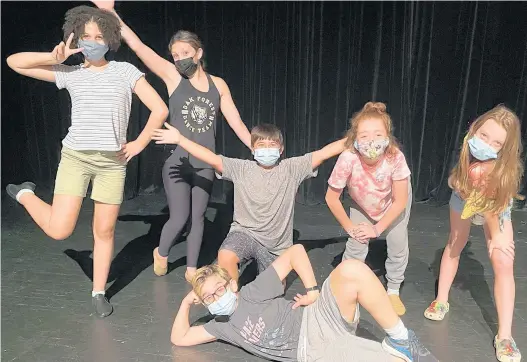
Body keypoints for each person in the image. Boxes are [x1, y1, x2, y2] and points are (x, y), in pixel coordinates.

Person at [5, 5, 169, 318]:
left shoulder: (125, 72)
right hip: (76, 159)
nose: (93, 41)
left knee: (104, 232)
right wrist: (54, 58)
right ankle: (25, 194)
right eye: (86, 36)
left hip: (112, 163)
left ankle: (98, 292)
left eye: (99, 36)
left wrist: (140, 142)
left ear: (110, 40)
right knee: (59, 230)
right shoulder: (71, 73)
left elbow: (159, 109)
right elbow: (14, 63)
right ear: (76, 38)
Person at [91, 1, 252, 282]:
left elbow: (236, 123)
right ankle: (161, 253)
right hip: (176, 162)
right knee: (179, 218)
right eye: (176, 55)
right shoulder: (172, 77)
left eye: (185, 53)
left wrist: (257, 147)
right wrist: (111, 13)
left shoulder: (219, 85)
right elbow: (139, 47)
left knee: (198, 218)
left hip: (204, 161)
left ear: (199, 53)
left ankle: (192, 270)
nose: (180, 59)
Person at [170, 243, 438, 362]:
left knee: (352, 269)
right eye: (209, 297)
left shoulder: (251, 292)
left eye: (219, 289)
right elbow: (179, 338)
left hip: (316, 319)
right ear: (204, 303)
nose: (217, 298)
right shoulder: (219, 326)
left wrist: (312, 290)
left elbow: (295, 252)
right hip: (312, 352)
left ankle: (401, 338)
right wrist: (185, 303)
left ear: (230, 284)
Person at [152, 122, 346, 283]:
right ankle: (233, 297)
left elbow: (323, 153)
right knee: (225, 256)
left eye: (272, 145)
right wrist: (180, 139)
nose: (267, 150)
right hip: (244, 233)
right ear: (253, 149)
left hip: (276, 246)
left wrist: (356, 138)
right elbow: (211, 157)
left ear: (281, 149)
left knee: (271, 293)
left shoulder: (292, 168)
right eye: (261, 146)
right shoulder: (241, 169)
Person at [423, 105, 523, 362]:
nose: (487, 144)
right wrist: (461, 187)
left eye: (497, 142)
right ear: (473, 129)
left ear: (505, 148)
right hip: (463, 200)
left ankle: (505, 335)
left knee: (502, 260)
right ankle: (442, 299)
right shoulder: (469, 152)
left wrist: (497, 236)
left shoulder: (501, 169)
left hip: (495, 208)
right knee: (455, 243)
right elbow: (456, 182)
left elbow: (491, 208)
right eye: (484, 135)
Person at [324, 102, 412, 316]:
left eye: (377, 134)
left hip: (392, 203)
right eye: (363, 136)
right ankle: (345, 285)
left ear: (387, 137)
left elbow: (400, 201)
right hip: (362, 204)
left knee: (397, 243)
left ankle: (392, 290)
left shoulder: (395, 158)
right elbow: (331, 197)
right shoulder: (348, 158)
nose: (371, 141)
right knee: (356, 244)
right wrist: (349, 227)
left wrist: (378, 228)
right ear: (354, 139)